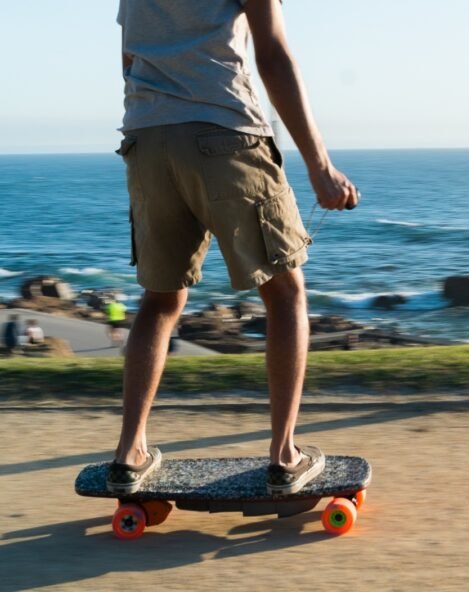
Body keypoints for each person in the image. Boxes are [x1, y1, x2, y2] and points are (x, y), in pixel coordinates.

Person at [107, 0, 359, 495]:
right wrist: (319, 164)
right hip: (226, 133)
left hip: (146, 139)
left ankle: (129, 452)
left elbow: (128, 59)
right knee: (284, 293)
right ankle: (285, 456)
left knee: (160, 300)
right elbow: (273, 54)